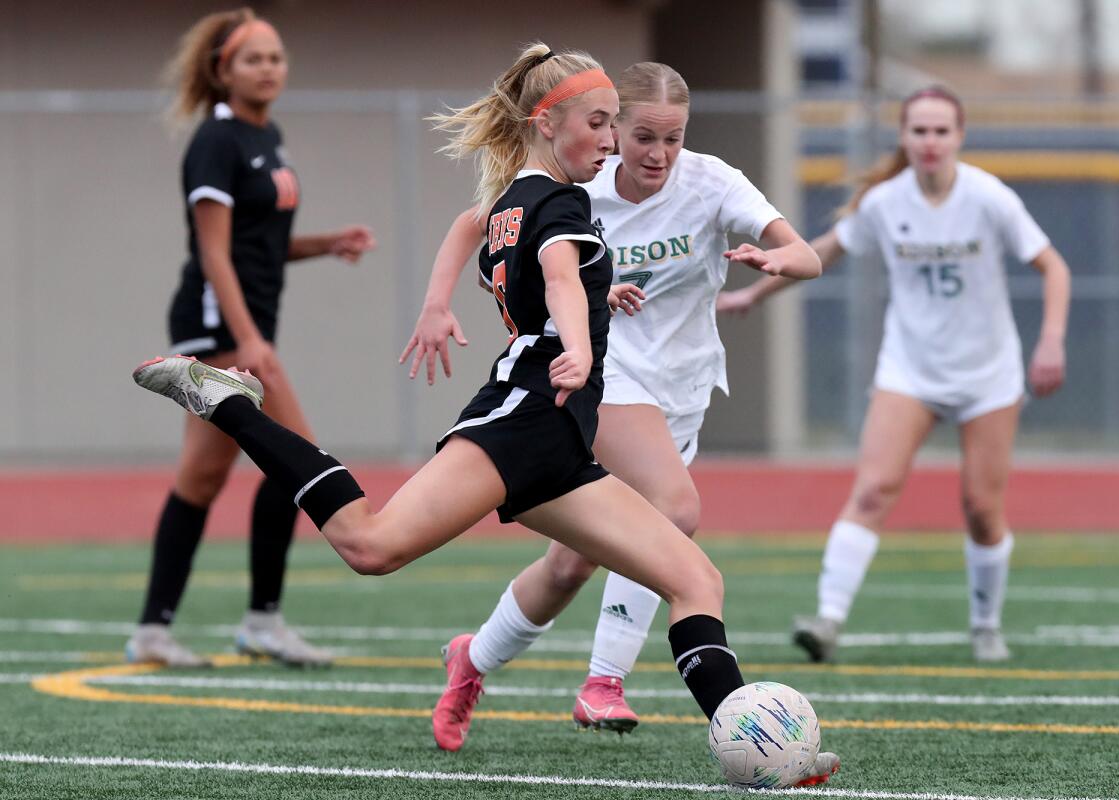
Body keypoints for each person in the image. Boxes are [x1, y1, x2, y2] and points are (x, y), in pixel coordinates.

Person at [132, 43, 825, 780]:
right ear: (548, 121)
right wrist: (583, 343)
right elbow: (559, 276)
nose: (612, 139)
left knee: (694, 579)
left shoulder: (520, 198)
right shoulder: (557, 201)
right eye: (600, 123)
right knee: (370, 546)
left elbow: (546, 269)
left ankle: (757, 745)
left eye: (613, 124)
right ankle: (232, 407)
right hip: (524, 417)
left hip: (561, 442)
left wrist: (575, 307)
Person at [405, 62, 824, 750]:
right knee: (676, 509)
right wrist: (437, 303)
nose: (658, 154)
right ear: (612, 131)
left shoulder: (711, 180)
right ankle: (605, 683)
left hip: (684, 384)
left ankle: (471, 659)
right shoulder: (578, 181)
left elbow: (805, 254)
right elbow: (479, 227)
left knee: (571, 563)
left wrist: (781, 262)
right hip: (605, 373)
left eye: (673, 138)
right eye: (641, 136)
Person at [720, 85, 1071, 663]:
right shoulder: (886, 203)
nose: (930, 142)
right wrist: (755, 295)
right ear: (904, 138)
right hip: (909, 368)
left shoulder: (989, 198)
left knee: (982, 508)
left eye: (941, 131)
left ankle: (986, 625)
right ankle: (827, 621)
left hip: (988, 374)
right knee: (874, 488)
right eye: (919, 131)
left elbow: (1052, 266)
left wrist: (1051, 340)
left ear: (959, 137)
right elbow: (823, 251)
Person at [125, 8, 376, 668]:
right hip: (217, 327)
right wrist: (248, 341)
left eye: (275, 57)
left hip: (243, 325)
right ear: (222, 72)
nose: (269, 68)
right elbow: (214, 252)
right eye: (253, 59)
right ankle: (261, 620)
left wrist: (325, 245)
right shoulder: (217, 140)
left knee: (202, 482)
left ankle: (155, 629)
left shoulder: (269, 135)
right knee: (296, 456)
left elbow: (257, 243)